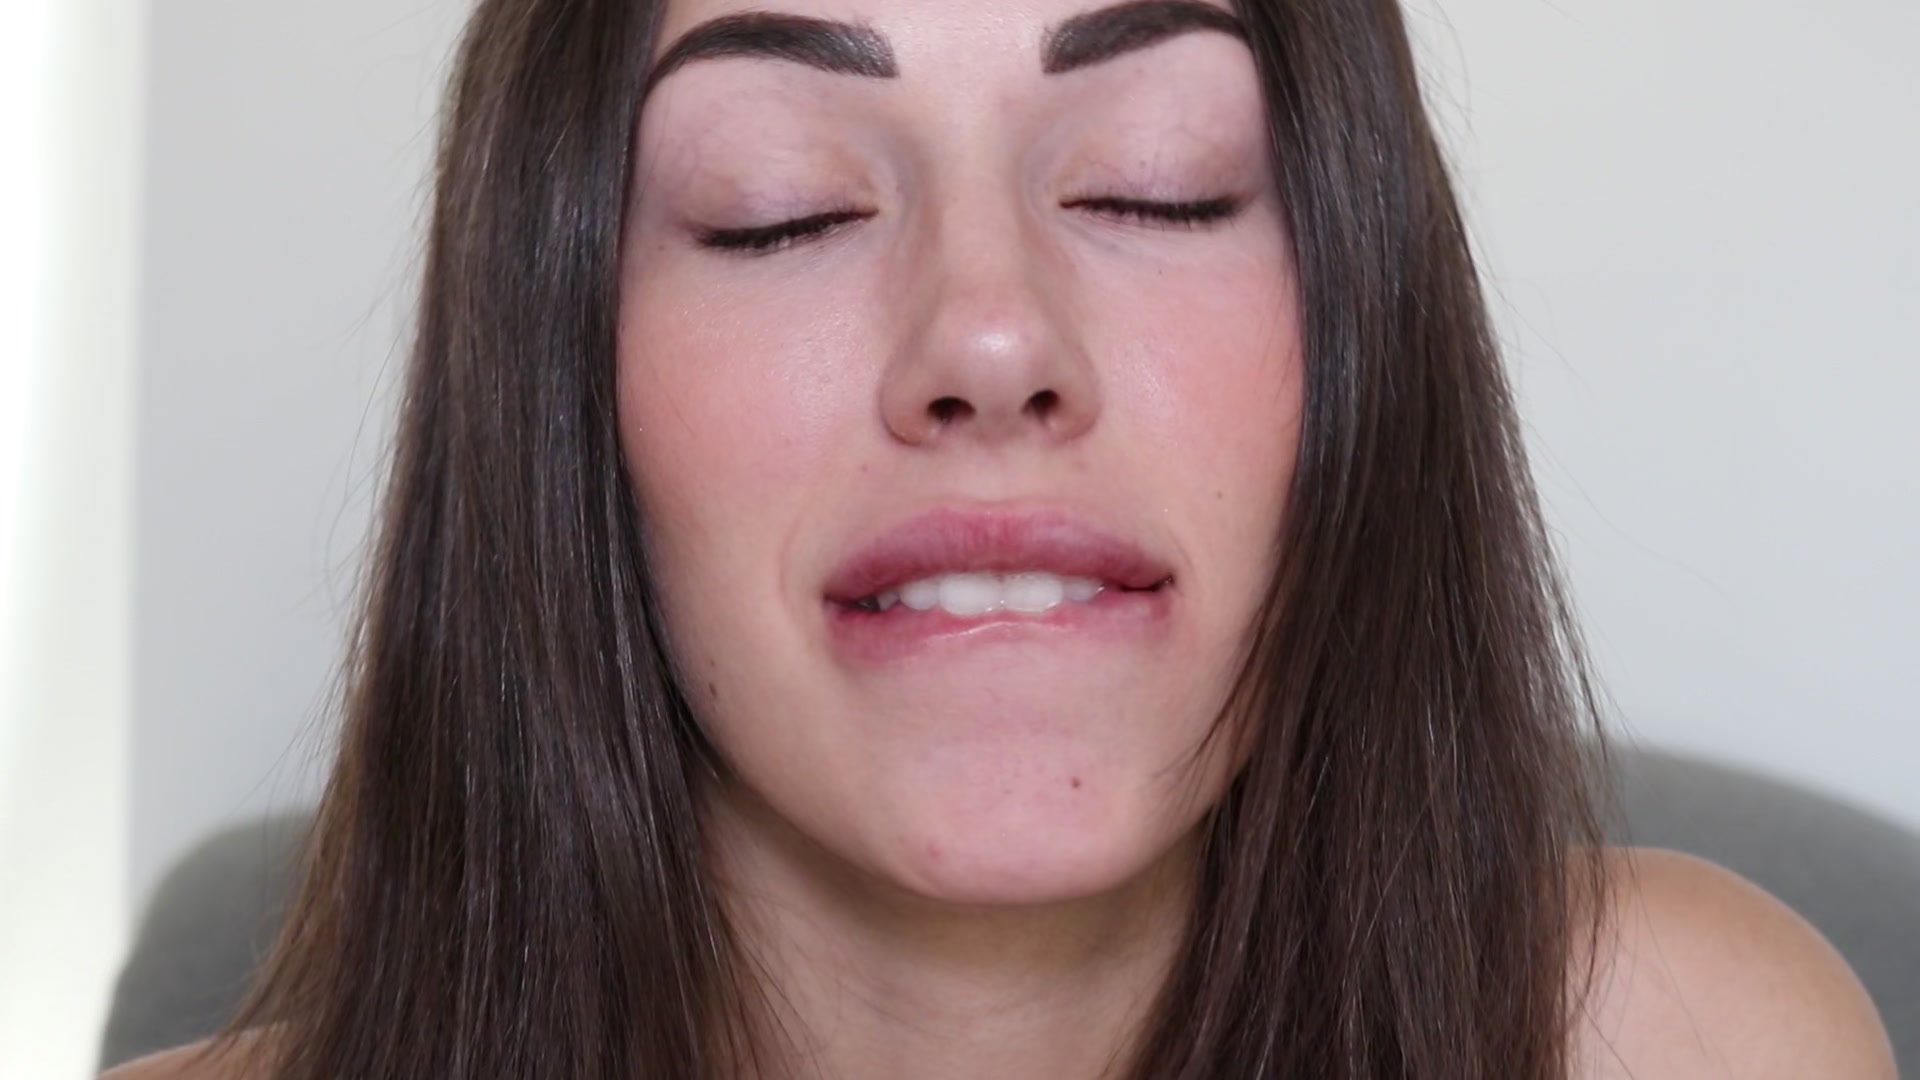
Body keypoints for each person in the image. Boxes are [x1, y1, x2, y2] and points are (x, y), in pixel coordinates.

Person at [106, 0, 1897, 1077]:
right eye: (780, 210)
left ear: (1366, 328)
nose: (987, 337)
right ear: (560, 376)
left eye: (1156, 184)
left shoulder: (1683, 1044)